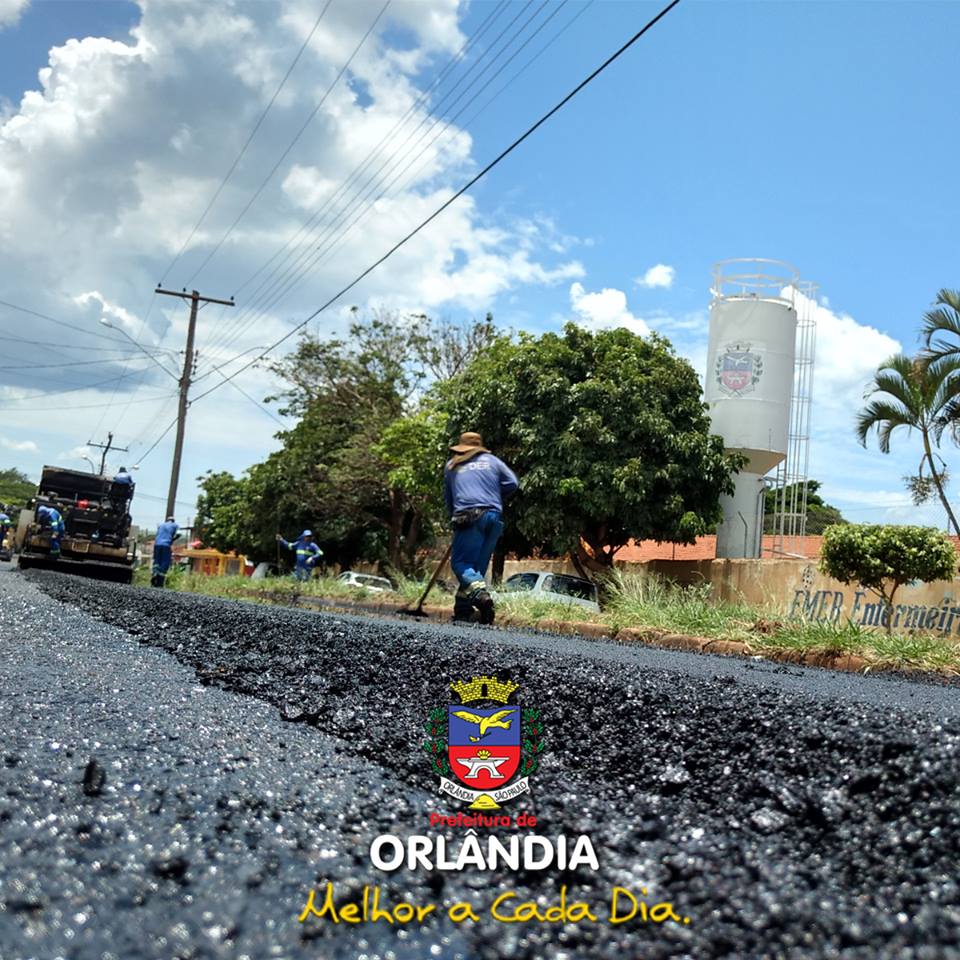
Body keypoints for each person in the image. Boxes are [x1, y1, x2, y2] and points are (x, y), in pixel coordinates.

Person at [444, 431, 518, 625]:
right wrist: (493, 495)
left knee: (461, 564)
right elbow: (512, 483)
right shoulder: (493, 461)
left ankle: (480, 596)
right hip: (493, 517)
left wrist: (455, 520)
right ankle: (463, 611)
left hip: (468, 517)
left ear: (461, 449)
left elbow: (449, 499)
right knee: (475, 570)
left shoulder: (452, 466)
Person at [152, 516, 180, 588]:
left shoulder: (161, 525)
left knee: (156, 560)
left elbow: (157, 535)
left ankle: (154, 573)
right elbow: (179, 534)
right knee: (165, 562)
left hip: (157, 545)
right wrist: (172, 539)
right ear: (173, 521)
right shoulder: (175, 525)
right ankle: (160, 581)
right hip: (166, 545)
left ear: (167, 520)